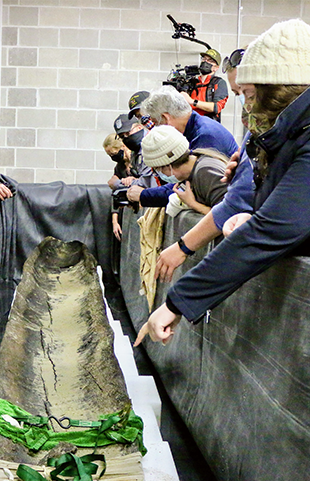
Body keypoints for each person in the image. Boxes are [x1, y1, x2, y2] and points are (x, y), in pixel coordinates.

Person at [135, 18, 310, 346]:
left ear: (276, 90)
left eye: (249, 93)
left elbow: (271, 231)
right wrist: (254, 212)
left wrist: (176, 302)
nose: (247, 106)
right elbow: (281, 209)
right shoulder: (285, 134)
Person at [154, 50, 255, 282]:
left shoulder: (205, 154)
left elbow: (233, 208)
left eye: (247, 92)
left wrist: (183, 246)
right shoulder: (253, 133)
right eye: (238, 94)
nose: (244, 101)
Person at [127, 86, 238, 207]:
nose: (155, 128)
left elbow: (188, 187)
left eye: (156, 123)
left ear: (165, 118)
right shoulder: (198, 128)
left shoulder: (206, 136)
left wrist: (145, 195)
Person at [141, 125, 228, 215]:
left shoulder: (206, 172)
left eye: (157, 170)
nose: (159, 174)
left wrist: (192, 203)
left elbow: (228, 217)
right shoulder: (194, 170)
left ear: (168, 166)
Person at [180, 48, 229, 122]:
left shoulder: (219, 83)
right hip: (190, 123)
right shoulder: (191, 82)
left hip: (208, 125)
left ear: (216, 68)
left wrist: (192, 101)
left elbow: (216, 107)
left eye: (210, 60)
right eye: (204, 59)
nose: (205, 61)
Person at [113, 113, 155, 188]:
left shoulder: (150, 144)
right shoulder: (135, 151)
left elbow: (147, 182)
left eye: (128, 133)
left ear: (139, 127)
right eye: (122, 136)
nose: (126, 138)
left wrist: (119, 183)